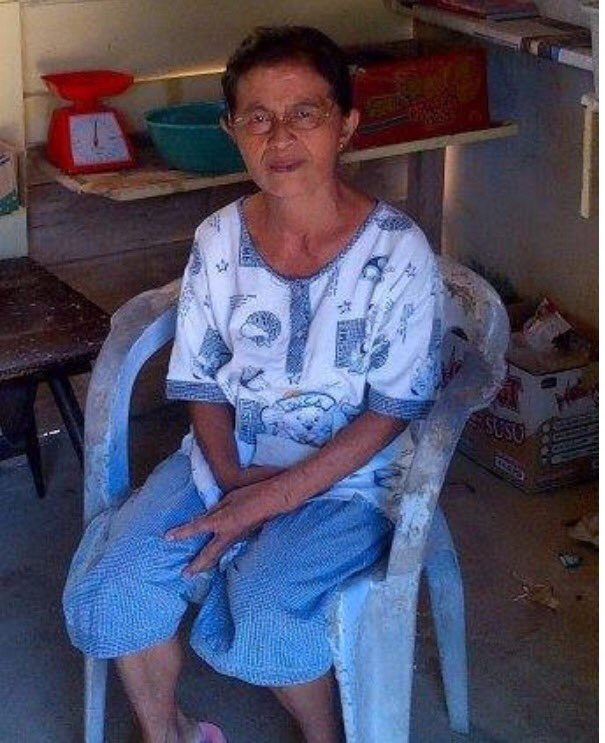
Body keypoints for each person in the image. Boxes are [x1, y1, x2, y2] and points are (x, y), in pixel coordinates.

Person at [63, 25, 443, 743]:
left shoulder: (397, 254)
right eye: (257, 117)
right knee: (118, 583)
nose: (281, 136)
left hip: (349, 483)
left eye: (305, 113)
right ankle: (168, 734)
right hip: (223, 464)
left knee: (268, 605)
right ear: (231, 131)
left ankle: (327, 736)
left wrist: (271, 498)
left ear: (345, 126)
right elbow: (202, 382)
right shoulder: (218, 240)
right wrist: (234, 480)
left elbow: (390, 411)